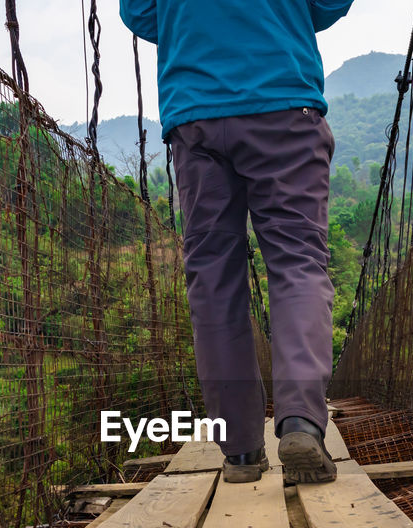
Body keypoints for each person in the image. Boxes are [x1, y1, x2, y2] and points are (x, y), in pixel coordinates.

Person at [120, 0, 354, 484]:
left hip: (196, 114)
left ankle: (242, 453)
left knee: (212, 281)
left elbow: (140, 14)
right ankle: (301, 422)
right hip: (283, 103)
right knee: (298, 263)